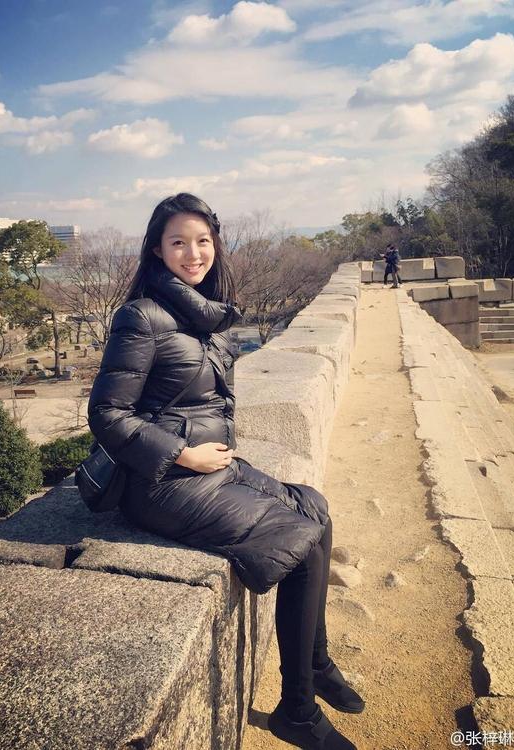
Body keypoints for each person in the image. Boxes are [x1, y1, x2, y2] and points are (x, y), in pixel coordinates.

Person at [88, 193, 364, 750]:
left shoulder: (206, 314)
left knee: (315, 506)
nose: (193, 253)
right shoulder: (140, 317)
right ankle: (297, 711)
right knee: (300, 541)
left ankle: (316, 663)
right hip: (161, 481)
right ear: (157, 249)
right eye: (178, 242)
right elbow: (107, 413)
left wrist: (214, 453)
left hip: (213, 465)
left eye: (203, 241)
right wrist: (182, 454)